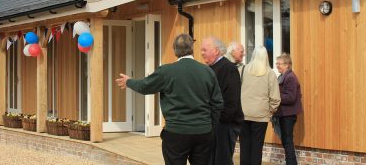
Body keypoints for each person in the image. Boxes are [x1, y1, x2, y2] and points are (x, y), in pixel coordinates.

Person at [116, 33, 223, 165]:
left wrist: (129, 82)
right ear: (192, 48)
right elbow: (218, 103)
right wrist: (209, 125)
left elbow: (144, 86)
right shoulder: (207, 71)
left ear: (174, 50)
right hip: (203, 132)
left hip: (176, 132)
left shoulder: (166, 71)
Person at [200, 36, 244, 165]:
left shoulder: (228, 68)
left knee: (221, 160)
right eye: (201, 50)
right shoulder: (210, 68)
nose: (202, 53)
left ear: (217, 50)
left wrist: (219, 122)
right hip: (214, 124)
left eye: (205, 50)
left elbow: (231, 101)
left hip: (224, 125)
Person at [240, 46, 281, 165]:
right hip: (261, 115)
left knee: (244, 146)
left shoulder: (243, 70)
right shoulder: (270, 73)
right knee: (257, 147)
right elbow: (275, 98)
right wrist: (270, 111)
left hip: (244, 114)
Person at [275, 53, 302, 165]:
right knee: (286, 140)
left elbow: (290, 98)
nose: (277, 66)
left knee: (287, 141)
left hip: (288, 115)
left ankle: (291, 163)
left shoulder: (290, 77)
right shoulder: (283, 76)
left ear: (287, 65)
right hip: (284, 114)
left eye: (279, 64)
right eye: (277, 63)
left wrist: (276, 96)